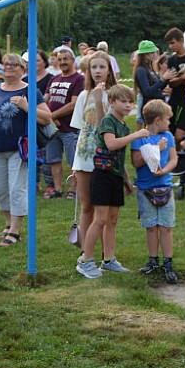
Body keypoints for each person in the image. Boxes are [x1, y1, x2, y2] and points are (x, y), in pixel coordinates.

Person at [0, 53, 53, 247]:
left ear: (23, 70)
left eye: (14, 65)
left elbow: (47, 118)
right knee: (2, 189)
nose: (8, 67)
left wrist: (26, 106)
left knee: (17, 188)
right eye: (6, 64)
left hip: (20, 149)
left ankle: (15, 231)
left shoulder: (30, 91)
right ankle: (8, 224)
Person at [76, 85, 147, 278]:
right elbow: (111, 144)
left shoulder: (123, 125)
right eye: (123, 101)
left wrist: (125, 179)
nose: (128, 105)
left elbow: (118, 154)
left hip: (115, 175)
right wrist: (136, 135)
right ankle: (85, 260)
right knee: (100, 219)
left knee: (112, 220)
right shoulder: (108, 121)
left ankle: (108, 260)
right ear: (112, 102)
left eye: (130, 101)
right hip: (103, 175)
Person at [70, 51, 117, 257]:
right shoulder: (83, 95)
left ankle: (106, 254)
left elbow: (105, 128)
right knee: (87, 205)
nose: (97, 71)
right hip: (85, 156)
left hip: (106, 157)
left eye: (102, 67)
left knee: (105, 210)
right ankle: (85, 251)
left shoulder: (115, 97)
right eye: (94, 67)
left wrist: (100, 101)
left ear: (109, 71)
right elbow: (81, 130)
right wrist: (75, 162)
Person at [130, 99, 179, 282]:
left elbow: (174, 158)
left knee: (166, 226)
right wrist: (155, 149)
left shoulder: (169, 136)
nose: (169, 123)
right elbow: (136, 161)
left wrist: (164, 171)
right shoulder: (140, 137)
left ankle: (168, 262)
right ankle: (153, 260)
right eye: (167, 119)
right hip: (145, 188)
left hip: (165, 185)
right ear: (157, 120)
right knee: (151, 227)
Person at [44, 47, 85, 199]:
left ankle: (73, 190)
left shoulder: (79, 79)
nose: (62, 62)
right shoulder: (54, 79)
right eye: (60, 59)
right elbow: (45, 100)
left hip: (70, 128)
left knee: (73, 160)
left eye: (65, 59)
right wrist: (50, 118)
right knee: (54, 159)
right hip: (53, 128)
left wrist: (52, 116)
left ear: (73, 60)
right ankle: (58, 188)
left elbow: (74, 104)